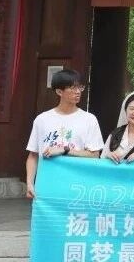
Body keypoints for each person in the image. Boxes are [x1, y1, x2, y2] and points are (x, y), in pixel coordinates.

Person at [25, 69, 102, 199]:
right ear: (59, 92)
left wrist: (65, 150)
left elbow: (94, 155)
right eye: (72, 88)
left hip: (78, 186)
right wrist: (29, 184)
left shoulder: (89, 119)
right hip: (47, 184)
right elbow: (33, 155)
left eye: (80, 87)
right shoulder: (42, 119)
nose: (78, 91)